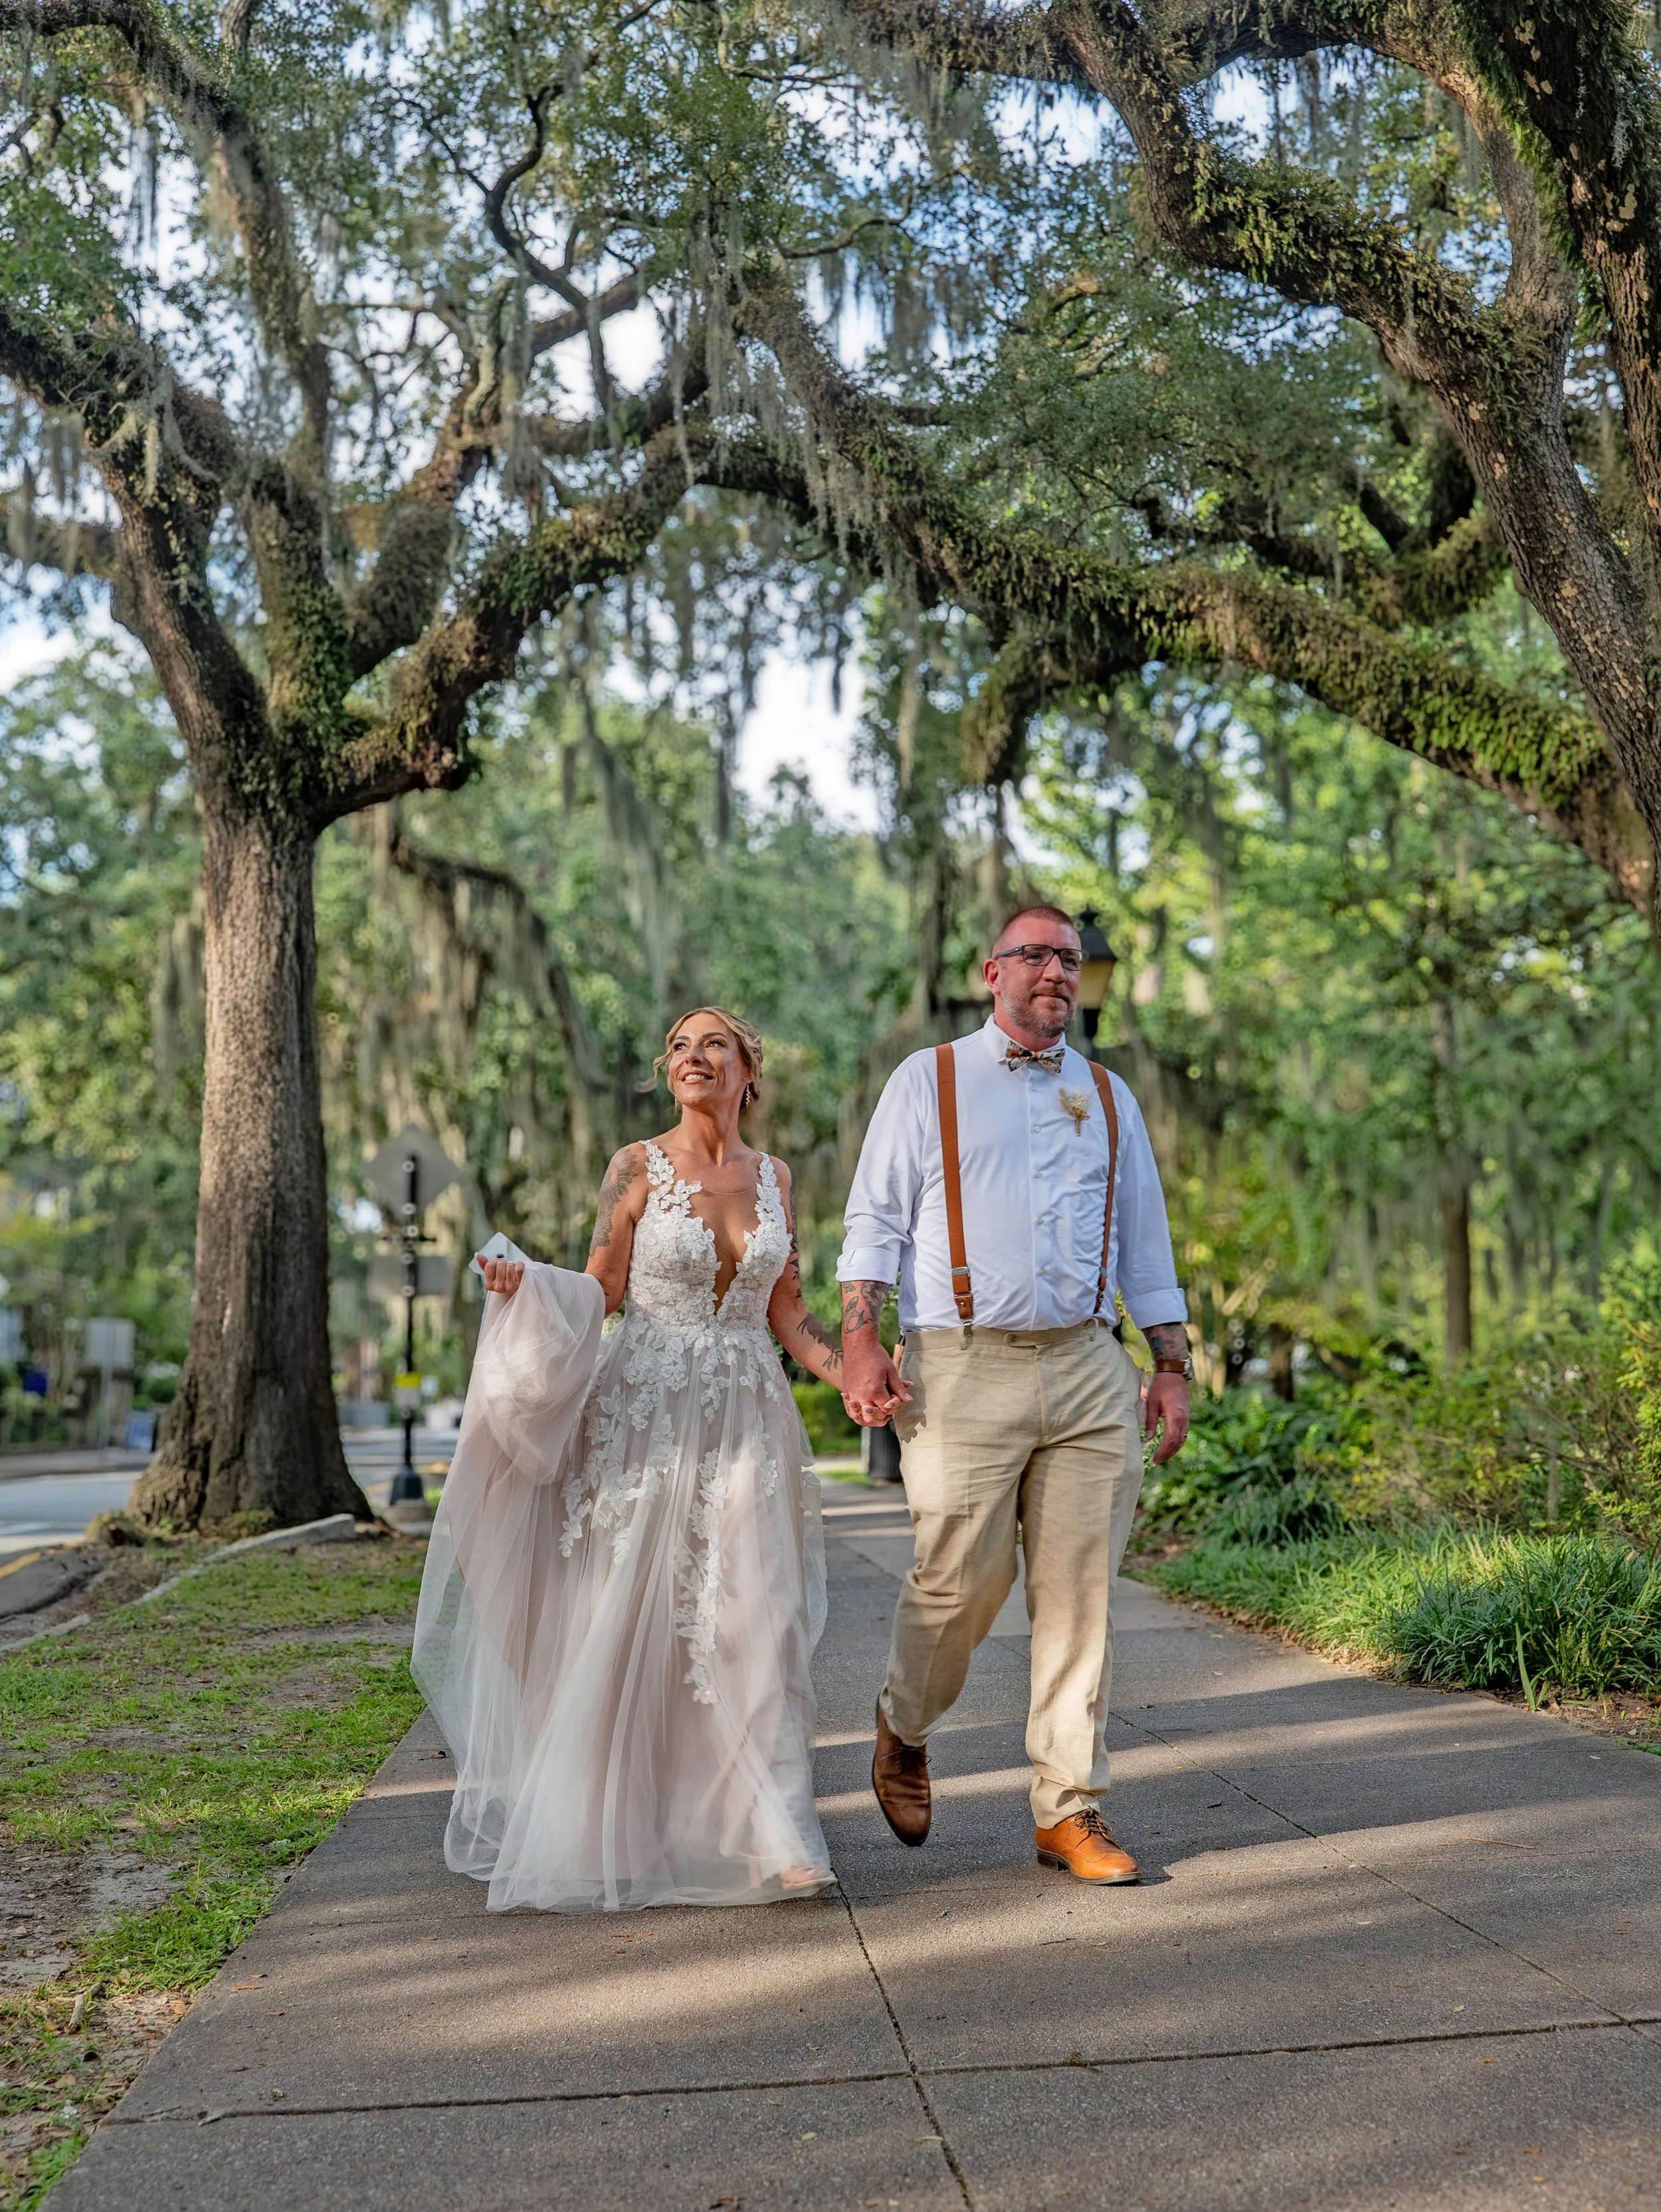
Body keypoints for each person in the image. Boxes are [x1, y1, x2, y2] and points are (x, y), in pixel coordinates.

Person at [412, 1008, 843, 1911]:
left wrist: (856, 1376)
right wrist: (524, 1285)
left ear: (747, 1070)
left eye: (714, 1043)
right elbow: (602, 1286)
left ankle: (780, 1828)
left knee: (762, 1609)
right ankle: (634, 1823)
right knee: (640, 1620)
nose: (695, 1057)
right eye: (681, 1046)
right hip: (645, 1413)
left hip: (747, 1415)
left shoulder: (777, 1177)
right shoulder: (636, 1166)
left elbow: (789, 1310)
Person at [838, 905, 1190, 1885]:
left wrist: (1170, 1366)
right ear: (992, 972)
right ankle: (903, 1723)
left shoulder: (1113, 1099)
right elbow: (873, 1223)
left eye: (1070, 959)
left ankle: (1068, 1808)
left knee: (1080, 1595)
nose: (1056, 971)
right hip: (957, 1363)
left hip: (1086, 1363)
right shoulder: (930, 1078)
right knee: (961, 1577)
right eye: (1035, 954)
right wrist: (861, 1341)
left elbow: (1146, 1250)